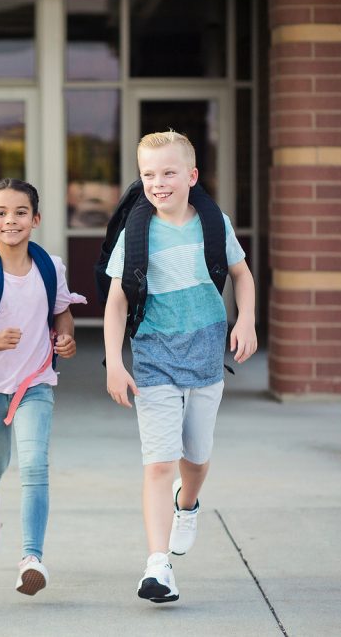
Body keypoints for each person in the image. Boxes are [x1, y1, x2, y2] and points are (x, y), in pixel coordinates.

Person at [103, 131, 257, 603]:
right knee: (159, 462)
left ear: (191, 176)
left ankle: (187, 504)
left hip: (207, 356)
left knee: (196, 457)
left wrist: (246, 321)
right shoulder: (136, 233)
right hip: (154, 358)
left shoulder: (214, 224)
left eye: (168, 173)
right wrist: (114, 362)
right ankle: (158, 565)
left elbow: (242, 276)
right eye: (148, 174)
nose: (158, 183)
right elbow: (115, 303)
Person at [0, 179, 86, 596]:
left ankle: (32, 558)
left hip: (36, 381)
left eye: (21, 212)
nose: (12, 220)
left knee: (34, 465)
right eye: (3, 213)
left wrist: (66, 337)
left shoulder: (50, 266)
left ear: (36, 219)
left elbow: (61, 313)